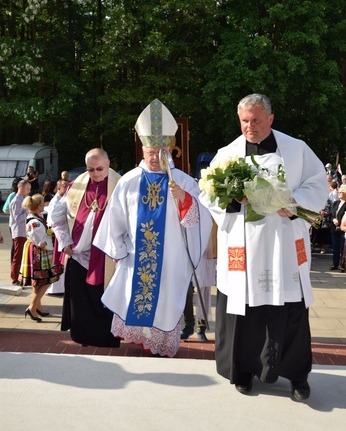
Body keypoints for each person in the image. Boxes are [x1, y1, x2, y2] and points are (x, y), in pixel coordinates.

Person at [200, 93, 328, 401]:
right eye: (244, 120)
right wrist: (231, 199)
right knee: (245, 312)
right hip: (245, 248)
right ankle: (243, 371)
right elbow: (207, 194)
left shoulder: (296, 150)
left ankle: (298, 377)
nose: (249, 126)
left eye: (256, 120)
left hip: (283, 244)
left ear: (270, 119)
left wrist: (295, 204)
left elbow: (318, 183)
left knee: (291, 310)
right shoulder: (228, 153)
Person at [93, 99, 212, 357]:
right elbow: (115, 218)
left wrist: (184, 199)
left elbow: (202, 218)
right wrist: (119, 250)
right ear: (143, 150)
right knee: (136, 298)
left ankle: (162, 344)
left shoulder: (182, 180)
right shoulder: (129, 181)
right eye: (150, 153)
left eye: (161, 153)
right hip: (137, 257)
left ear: (169, 150)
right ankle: (143, 343)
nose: (156, 158)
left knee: (167, 302)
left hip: (171, 259)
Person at [50, 148, 121, 347]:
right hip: (79, 253)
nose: (96, 173)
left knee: (103, 299)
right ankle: (82, 337)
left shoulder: (120, 186)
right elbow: (56, 217)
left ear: (108, 164)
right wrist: (64, 242)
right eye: (91, 170)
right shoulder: (77, 186)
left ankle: (106, 339)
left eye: (100, 168)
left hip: (107, 255)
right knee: (80, 301)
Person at [21, 194, 63, 322]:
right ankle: (32, 307)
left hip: (38, 252)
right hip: (40, 253)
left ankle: (37, 306)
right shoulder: (35, 222)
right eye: (43, 203)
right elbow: (42, 242)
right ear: (39, 206)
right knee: (47, 279)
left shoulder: (35, 217)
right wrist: (52, 239)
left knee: (39, 281)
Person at [46, 178, 69, 295]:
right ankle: (56, 288)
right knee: (58, 262)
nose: (67, 188)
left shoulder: (65, 199)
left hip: (64, 234)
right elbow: (52, 220)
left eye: (67, 185)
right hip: (58, 235)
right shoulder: (55, 201)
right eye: (64, 186)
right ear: (58, 188)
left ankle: (61, 287)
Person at [9, 179, 31, 285]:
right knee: (17, 256)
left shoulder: (21, 199)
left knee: (21, 256)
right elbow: (17, 218)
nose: (29, 191)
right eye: (27, 189)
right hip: (18, 232)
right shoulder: (16, 201)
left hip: (23, 231)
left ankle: (18, 276)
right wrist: (27, 211)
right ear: (21, 188)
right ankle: (14, 278)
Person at [2, 177, 22, 263]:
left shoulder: (25, 195)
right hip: (14, 224)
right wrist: (15, 212)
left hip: (23, 224)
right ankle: (12, 263)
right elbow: (5, 209)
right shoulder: (12, 195)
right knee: (15, 244)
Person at [329, 185, 346, 270]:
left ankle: (342, 264)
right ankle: (335, 263)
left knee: (342, 247)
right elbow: (331, 213)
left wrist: (339, 222)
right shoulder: (336, 203)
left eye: (341, 192)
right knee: (335, 247)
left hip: (342, 229)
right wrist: (333, 219)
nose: (339, 193)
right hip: (334, 228)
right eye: (338, 192)